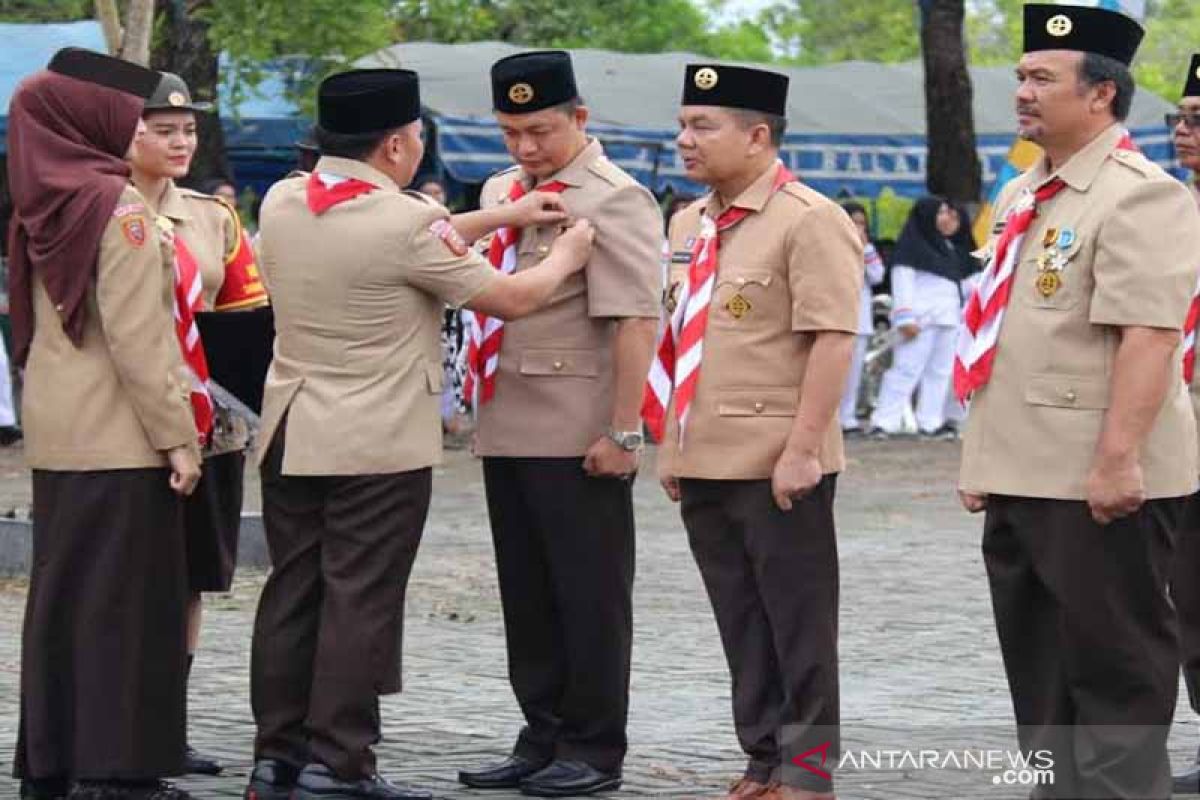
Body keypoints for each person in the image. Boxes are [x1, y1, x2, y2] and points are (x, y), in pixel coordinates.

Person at [245, 67, 595, 800]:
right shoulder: (403, 224)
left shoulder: (283, 200)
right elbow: (510, 297)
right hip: (373, 440)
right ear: (399, 144)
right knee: (357, 599)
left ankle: (277, 756)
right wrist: (566, 254)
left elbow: (407, 239)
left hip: (291, 428)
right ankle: (340, 764)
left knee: (293, 594)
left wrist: (501, 217)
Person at [956, 6, 1200, 798]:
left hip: (1094, 479)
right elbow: (1003, 334)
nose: (1022, 92)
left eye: (1042, 79)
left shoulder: (1140, 195)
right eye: (1021, 76)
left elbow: (1149, 339)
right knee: (1038, 663)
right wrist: (980, 455)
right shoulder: (1029, 190)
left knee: (1117, 665)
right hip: (1022, 472)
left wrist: (1118, 459)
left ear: (1101, 95)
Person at [646, 64, 863, 800]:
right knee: (740, 624)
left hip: (778, 460)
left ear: (759, 135)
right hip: (705, 456)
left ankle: (806, 775)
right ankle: (762, 759)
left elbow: (833, 338)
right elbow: (680, 340)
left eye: (703, 126)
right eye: (683, 124)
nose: (684, 139)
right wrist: (671, 442)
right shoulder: (689, 222)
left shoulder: (808, 218)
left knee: (799, 628)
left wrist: (803, 449)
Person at [456, 50, 663, 798]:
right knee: (528, 596)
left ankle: (594, 745)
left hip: (578, 433)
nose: (524, 149)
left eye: (539, 130)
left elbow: (636, 320)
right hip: (506, 421)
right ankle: (540, 733)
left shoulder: (616, 198)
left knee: (589, 595)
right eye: (510, 132)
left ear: (580, 118)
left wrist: (624, 431)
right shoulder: (502, 191)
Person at [8, 48, 201, 800]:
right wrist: (177, 439)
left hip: (62, 430)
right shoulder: (118, 208)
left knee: (64, 605)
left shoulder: (47, 201)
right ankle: (113, 770)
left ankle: (55, 762)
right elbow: (140, 340)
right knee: (123, 608)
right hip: (121, 437)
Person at [127, 70, 270, 778]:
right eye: (164, 128)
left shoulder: (215, 218)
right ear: (128, 131)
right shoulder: (103, 209)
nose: (180, 140)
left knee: (188, 576)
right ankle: (114, 722)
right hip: (122, 421)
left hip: (205, 425)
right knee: (127, 574)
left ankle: (167, 726)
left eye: (187, 129)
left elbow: (246, 322)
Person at [867, 196, 977, 440]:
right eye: (940, 213)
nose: (945, 219)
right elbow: (902, 284)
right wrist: (905, 318)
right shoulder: (910, 248)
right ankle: (885, 421)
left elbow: (957, 285)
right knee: (906, 369)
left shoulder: (946, 248)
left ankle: (930, 421)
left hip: (948, 320)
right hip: (920, 321)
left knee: (939, 372)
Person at [1168, 53, 1200, 796]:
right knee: (1191, 597)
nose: (1182, 131)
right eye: (1179, 120)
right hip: (1182, 428)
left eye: (1196, 121)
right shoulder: (1166, 211)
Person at [837, 202, 885, 436]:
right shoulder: (831, 246)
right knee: (835, 373)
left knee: (854, 375)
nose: (858, 227)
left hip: (860, 321)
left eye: (862, 224)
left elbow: (877, 276)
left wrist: (865, 249)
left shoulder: (868, 250)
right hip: (836, 318)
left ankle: (848, 418)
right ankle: (832, 420)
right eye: (853, 222)